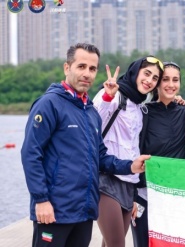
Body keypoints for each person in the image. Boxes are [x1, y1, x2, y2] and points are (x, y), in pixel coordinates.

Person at [21, 43, 149, 247]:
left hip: (84, 212)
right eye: (81, 67)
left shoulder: (90, 112)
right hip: (54, 211)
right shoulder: (49, 104)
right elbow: (30, 154)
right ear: (67, 68)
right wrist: (41, 200)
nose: (87, 74)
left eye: (92, 69)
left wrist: (130, 166)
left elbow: (101, 157)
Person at [92, 56, 164, 247]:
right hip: (105, 179)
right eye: (146, 74)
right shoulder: (114, 94)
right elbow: (91, 122)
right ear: (135, 72)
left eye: (155, 78)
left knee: (110, 243)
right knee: (117, 244)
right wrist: (107, 96)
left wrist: (133, 195)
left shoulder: (139, 107)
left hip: (128, 183)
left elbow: (133, 148)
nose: (149, 81)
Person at [133, 61, 185, 247]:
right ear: (157, 83)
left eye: (175, 80)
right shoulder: (143, 112)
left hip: (175, 195)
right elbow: (133, 152)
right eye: (165, 79)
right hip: (145, 194)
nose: (171, 85)